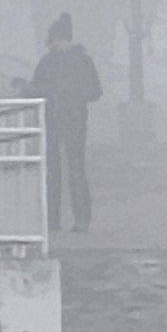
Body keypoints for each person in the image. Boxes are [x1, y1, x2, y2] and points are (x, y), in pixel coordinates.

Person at [32, 12, 105, 233]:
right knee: (75, 170)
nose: (49, 45)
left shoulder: (47, 62)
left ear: (58, 39)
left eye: (51, 40)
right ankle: (81, 220)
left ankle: (53, 221)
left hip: (54, 119)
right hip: (74, 119)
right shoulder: (84, 60)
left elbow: (35, 88)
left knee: (54, 171)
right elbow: (95, 92)